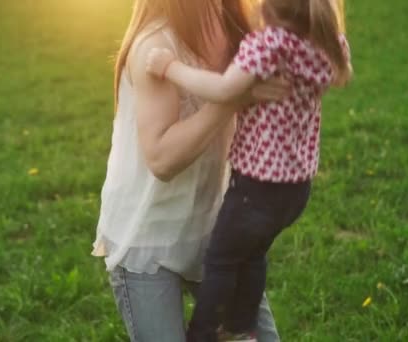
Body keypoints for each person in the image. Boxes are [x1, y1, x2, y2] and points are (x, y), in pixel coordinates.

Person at [145, 0, 353, 340]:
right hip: (296, 189)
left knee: (221, 261)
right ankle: (241, 327)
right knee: (253, 253)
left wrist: (170, 67)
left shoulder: (268, 44)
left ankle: (203, 332)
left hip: (256, 188)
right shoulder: (325, 40)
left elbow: (225, 89)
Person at [92, 0, 291, 341]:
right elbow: (161, 159)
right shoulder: (156, 44)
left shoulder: (238, 24)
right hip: (148, 237)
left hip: (218, 229)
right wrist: (234, 97)